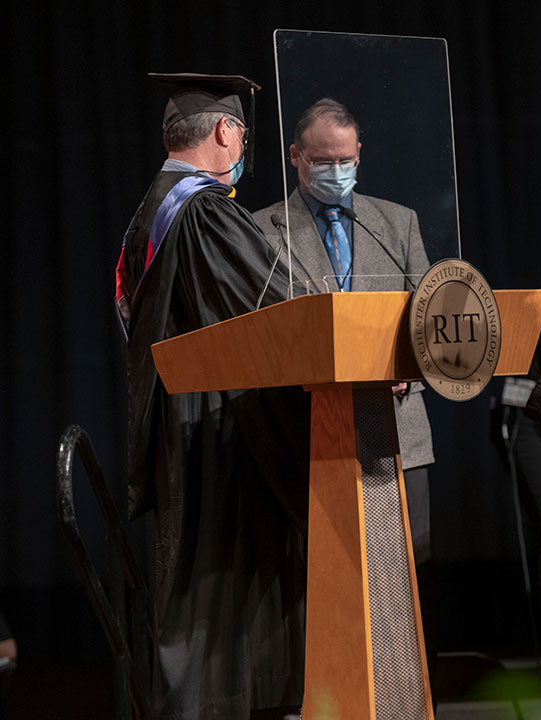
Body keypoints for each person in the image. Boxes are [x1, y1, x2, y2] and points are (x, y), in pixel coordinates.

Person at [115, 73, 308, 719]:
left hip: (184, 424)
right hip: (214, 434)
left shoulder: (154, 205)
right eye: (244, 133)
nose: (243, 145)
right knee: (210, 617)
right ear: (225, 131)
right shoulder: (200, 211)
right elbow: (274, 314)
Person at [251, 97, 437, 682]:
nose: (337, 171)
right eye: (324, 161)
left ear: (361, 154)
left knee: (404, 572)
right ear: (296, 157)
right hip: (315, 432)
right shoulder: (262, 230)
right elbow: (263, 333)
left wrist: (413, 358)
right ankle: (336, 692)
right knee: (328, 577)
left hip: (396, 424)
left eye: (347, 159)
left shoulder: (396, 222)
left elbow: (428, 315)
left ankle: (399, 693)